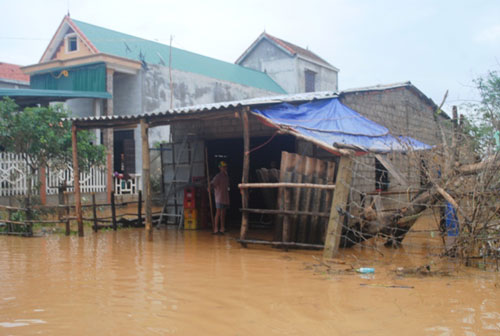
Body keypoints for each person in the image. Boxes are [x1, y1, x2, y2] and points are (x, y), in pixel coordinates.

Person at [210, 161, 230, 234]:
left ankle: (222, 228)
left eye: (225, 167)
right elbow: (212, 184)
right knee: (218, 212)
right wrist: (210, 187)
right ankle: (216, 229)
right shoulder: (218, 176)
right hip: (219, 197)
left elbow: (227, 185)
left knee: (223, 213)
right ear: (220, 168)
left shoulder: (226, 176)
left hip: (225, 197)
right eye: (223, 167)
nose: (225, 168)